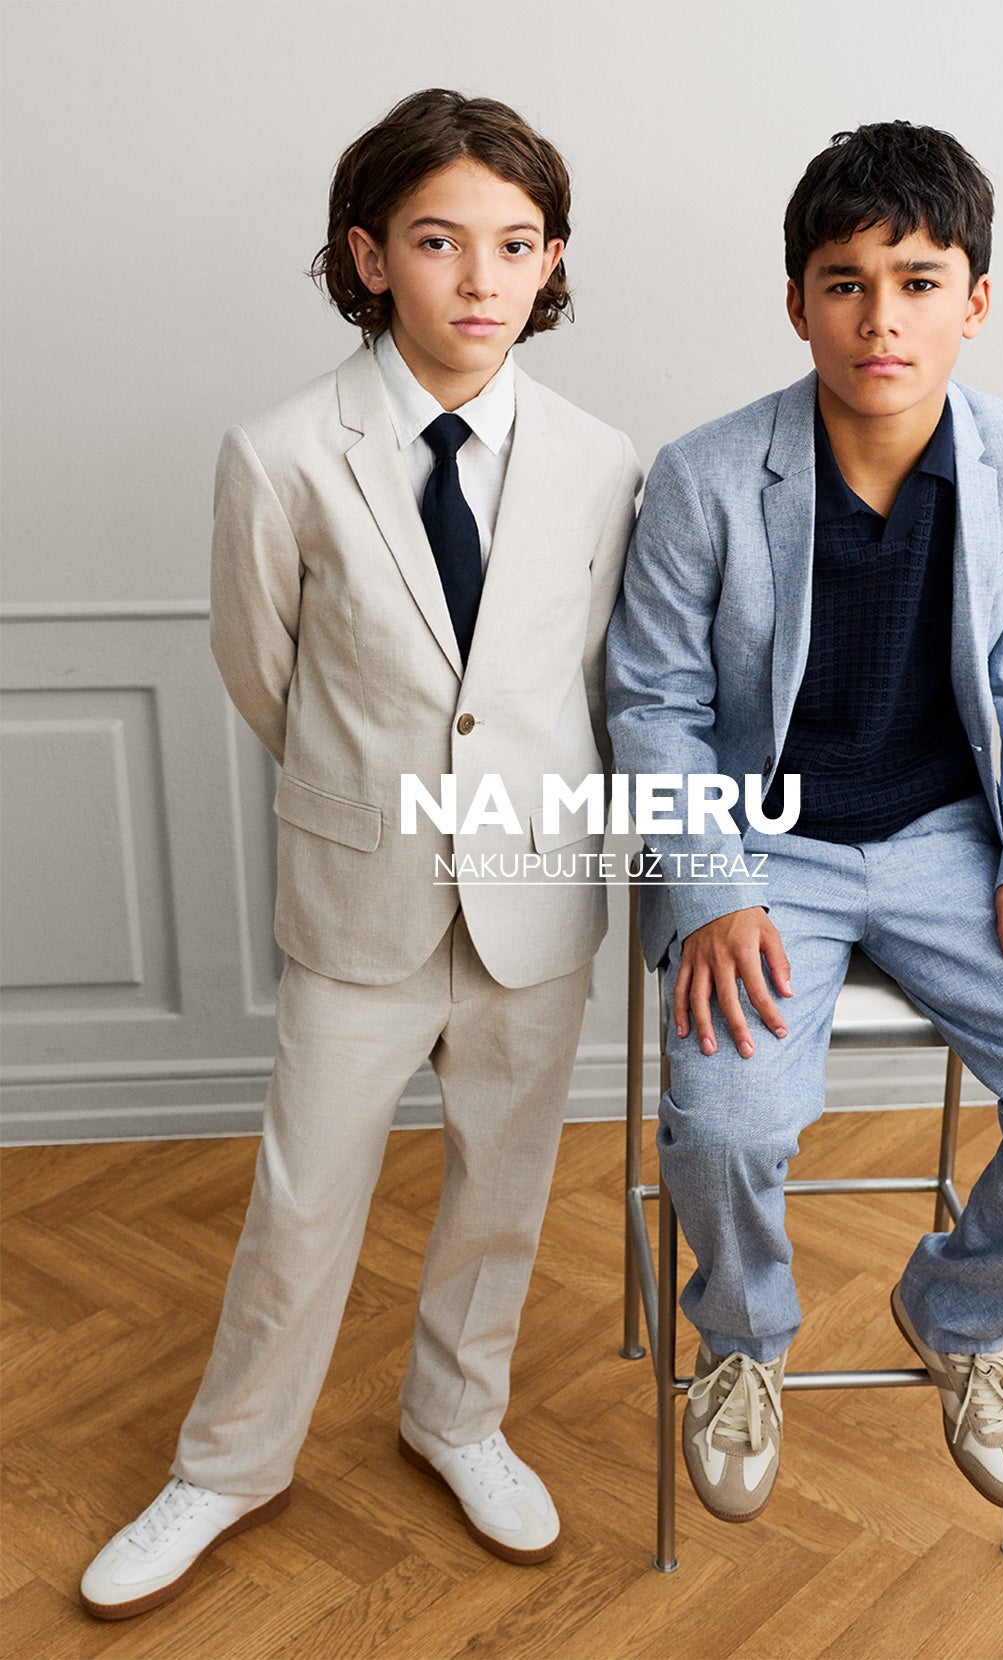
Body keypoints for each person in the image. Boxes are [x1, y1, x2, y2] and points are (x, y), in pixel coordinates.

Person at [81, 87, 640, 1619]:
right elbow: (261, 668)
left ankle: (458, 1416)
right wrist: (374, 795)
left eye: (515, 244)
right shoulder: (281, 453)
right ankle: (229, 1463)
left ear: (551, 262)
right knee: (304, 1198)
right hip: (361, 893)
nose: (480, 277)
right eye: (439, 241)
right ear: (370, 255)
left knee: (504, 1189)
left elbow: (593, 676)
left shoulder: (600, 460)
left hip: (536, 894)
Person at [607, 120, 1003, 1525]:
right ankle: (742, 1341)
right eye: (846, 283)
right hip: (763, 845)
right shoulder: (705, 474)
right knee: (725, 1128)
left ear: (976, 301)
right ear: (797, 303)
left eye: (919, 282)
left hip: (946, 845)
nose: (880, 319)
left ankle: (962, 1315)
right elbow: (655, 706)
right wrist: (713, 889)